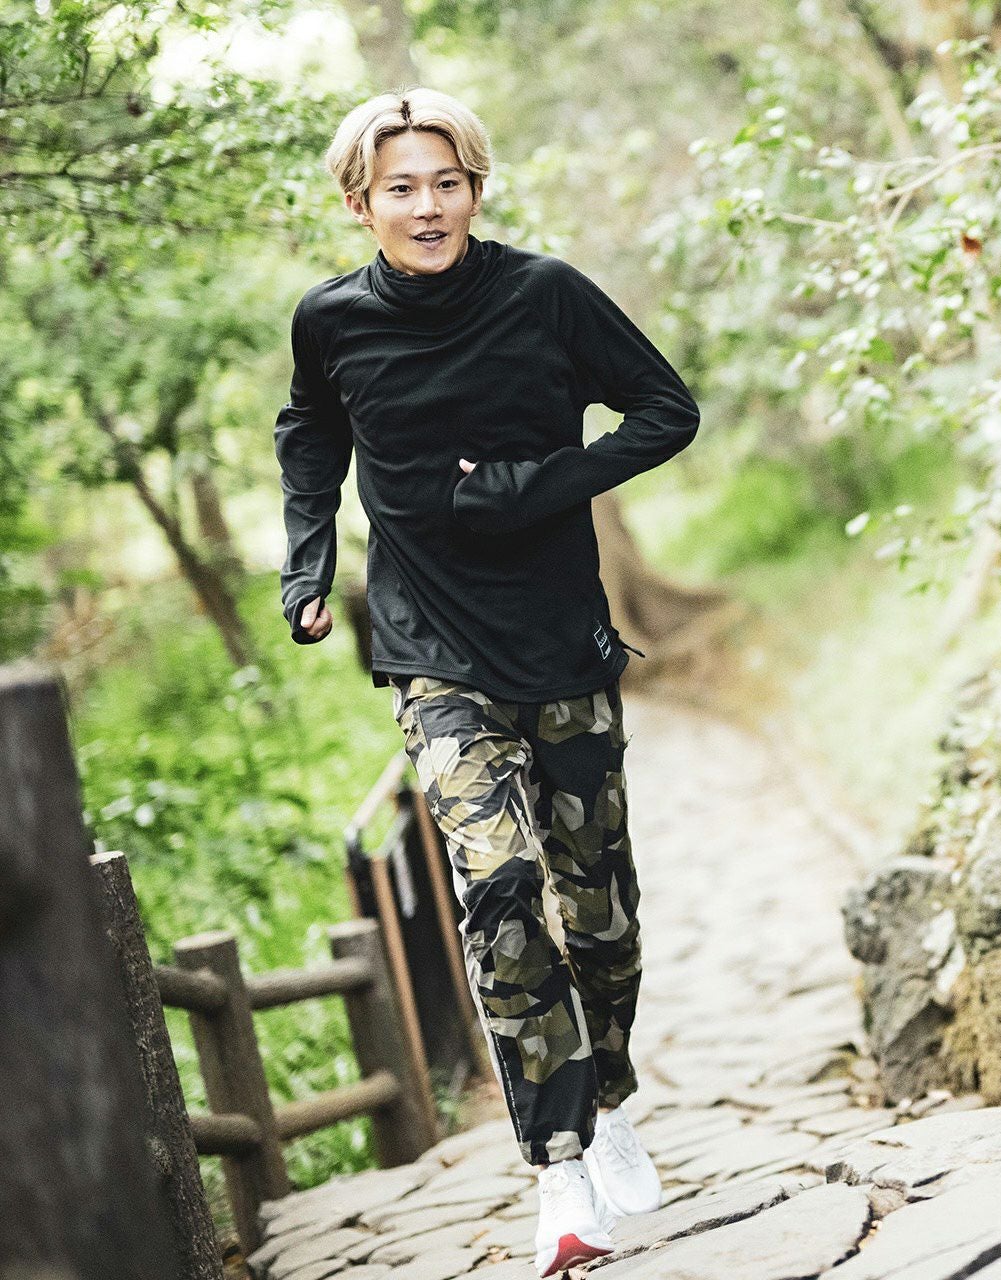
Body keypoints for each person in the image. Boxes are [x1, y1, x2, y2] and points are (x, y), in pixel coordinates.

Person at [273, 86, 700, 1277]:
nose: (427, 206)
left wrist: (537, 484)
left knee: (598, 912)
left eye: (447, 183)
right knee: (499, 884)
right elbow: (309, 433)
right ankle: (558, 1163)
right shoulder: (332, 320)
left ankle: (606, 1088)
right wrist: (308, 561)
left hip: (559, 640)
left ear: (475, 189)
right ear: (358, 202)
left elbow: (666, 409)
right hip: (432, 650)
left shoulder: (545, 293)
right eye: (400, 188)